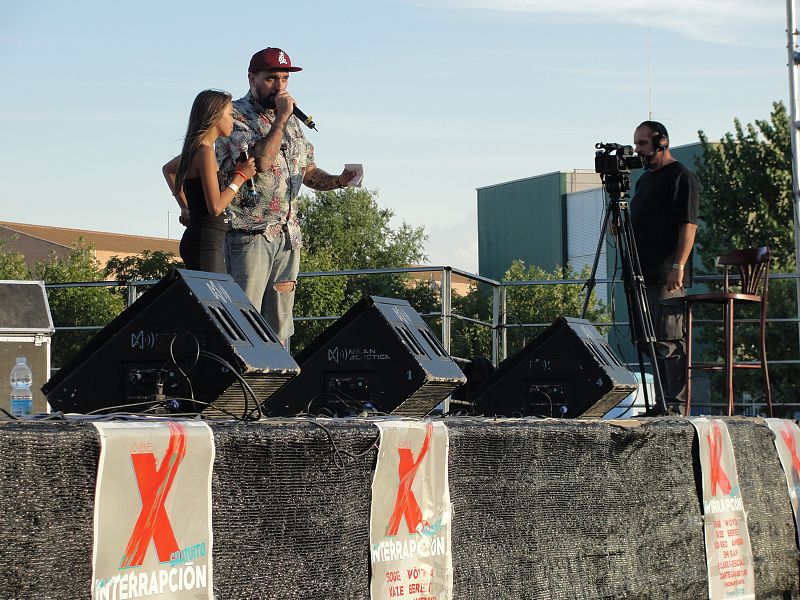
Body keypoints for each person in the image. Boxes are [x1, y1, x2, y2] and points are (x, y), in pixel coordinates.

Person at [216, 47, 357, 344]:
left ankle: (275, 387)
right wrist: (280, 120)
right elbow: (262, 163)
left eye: (284, 79)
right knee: (244, 322)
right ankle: (237, 387)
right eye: (271, 78)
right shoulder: (235, 116)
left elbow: (308, 173)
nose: (280, 86)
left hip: (288, 236)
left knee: (279, 326)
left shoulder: (293, 123)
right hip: (249, 234)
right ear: (252, 78)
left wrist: (340, 181)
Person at [630, 120, 699, 414]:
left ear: (662, 142)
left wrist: (678, 265)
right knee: (649, 340)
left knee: (670, 341)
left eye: (643, 144)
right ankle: (660, 404)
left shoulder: (681, 177)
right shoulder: (644, 181)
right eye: (636, 144)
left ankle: (676, 407)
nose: (638, 151)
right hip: (640, 274)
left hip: (666, 275)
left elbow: (688, 224)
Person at [163, 90, 256, 273]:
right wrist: (241, 177)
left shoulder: (195, 150)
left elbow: (168, 170)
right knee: (217, 300)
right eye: (230, 115)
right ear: (216, 116)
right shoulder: (205, 152)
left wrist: (185, 206)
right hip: (205, 244)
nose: (233, 121)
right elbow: (216, 207)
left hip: (203, 241)